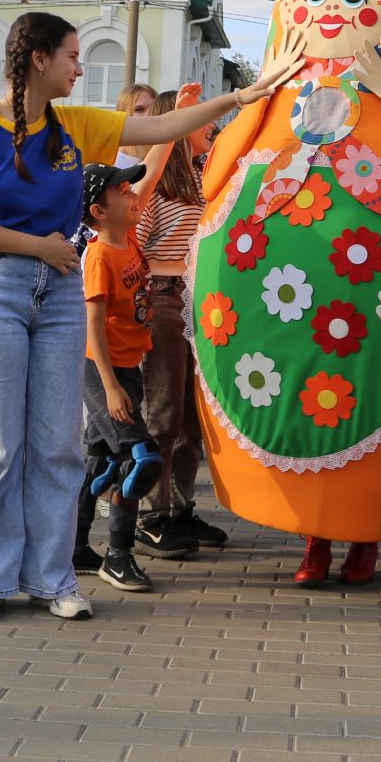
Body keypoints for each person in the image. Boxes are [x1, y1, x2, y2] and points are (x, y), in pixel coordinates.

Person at [0, 12, 275, 623]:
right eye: (71, 55)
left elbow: (164, 124)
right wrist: (38, 246)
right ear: (38, 58)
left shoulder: (75, 126)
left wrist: (240, 97)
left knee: (57, 445)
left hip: (60, 289)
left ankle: (51, 576)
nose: (80, 66)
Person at [130, 93, 228, 557]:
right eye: (200, 115)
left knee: (194, 418)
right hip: (162, 297)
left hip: (202, 301)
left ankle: (180, 508)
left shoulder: (201, 176)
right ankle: (151, 517)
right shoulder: (158, 187)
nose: (211, 122)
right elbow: (135, 239)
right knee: (164, 413)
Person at [68, 163, 163, 595]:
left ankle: (74, 549)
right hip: (102, 369)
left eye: (130, 187)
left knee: (100, 458)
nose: (132, 195)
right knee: (140, 459)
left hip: (127, 364)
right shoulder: (100, 256)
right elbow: (92, 325)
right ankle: (119, 557)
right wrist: (108, 386)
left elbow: (153, 176)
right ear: (98, 211)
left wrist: (172, 128)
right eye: (122, 190)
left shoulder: (130, 240)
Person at [111, 83, 159, 169]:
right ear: (123, 115)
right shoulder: (115, 163)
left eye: (154, 108)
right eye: (139, 110)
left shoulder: (170, 155)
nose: (149, 115)